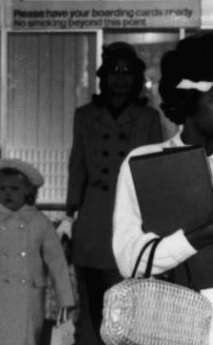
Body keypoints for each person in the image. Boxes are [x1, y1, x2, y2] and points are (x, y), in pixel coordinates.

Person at [113, 33, 213, 343]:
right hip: (171, 325)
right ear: (190, 98)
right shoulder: (144, 163)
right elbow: (132, 260)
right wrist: (199, 236)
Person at [62, 41, 163, 345]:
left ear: (136, 77)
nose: (120, 77)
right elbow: (77, 165)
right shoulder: (84, 116)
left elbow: (153, 173)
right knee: (94, 294)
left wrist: (156, 222)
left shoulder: (149, 119)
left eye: (127, 71)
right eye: (114, 71)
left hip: (132, 215)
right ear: (103, 76)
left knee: (128, 297)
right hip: (93, 216)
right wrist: (69, 215)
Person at [0, 158, 75, 345]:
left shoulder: (41, 223)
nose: (7, 194)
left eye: (14, 189)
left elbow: (57, 264)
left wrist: (65, 299)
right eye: (2, 189)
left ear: (29, 191)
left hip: (28, 295)